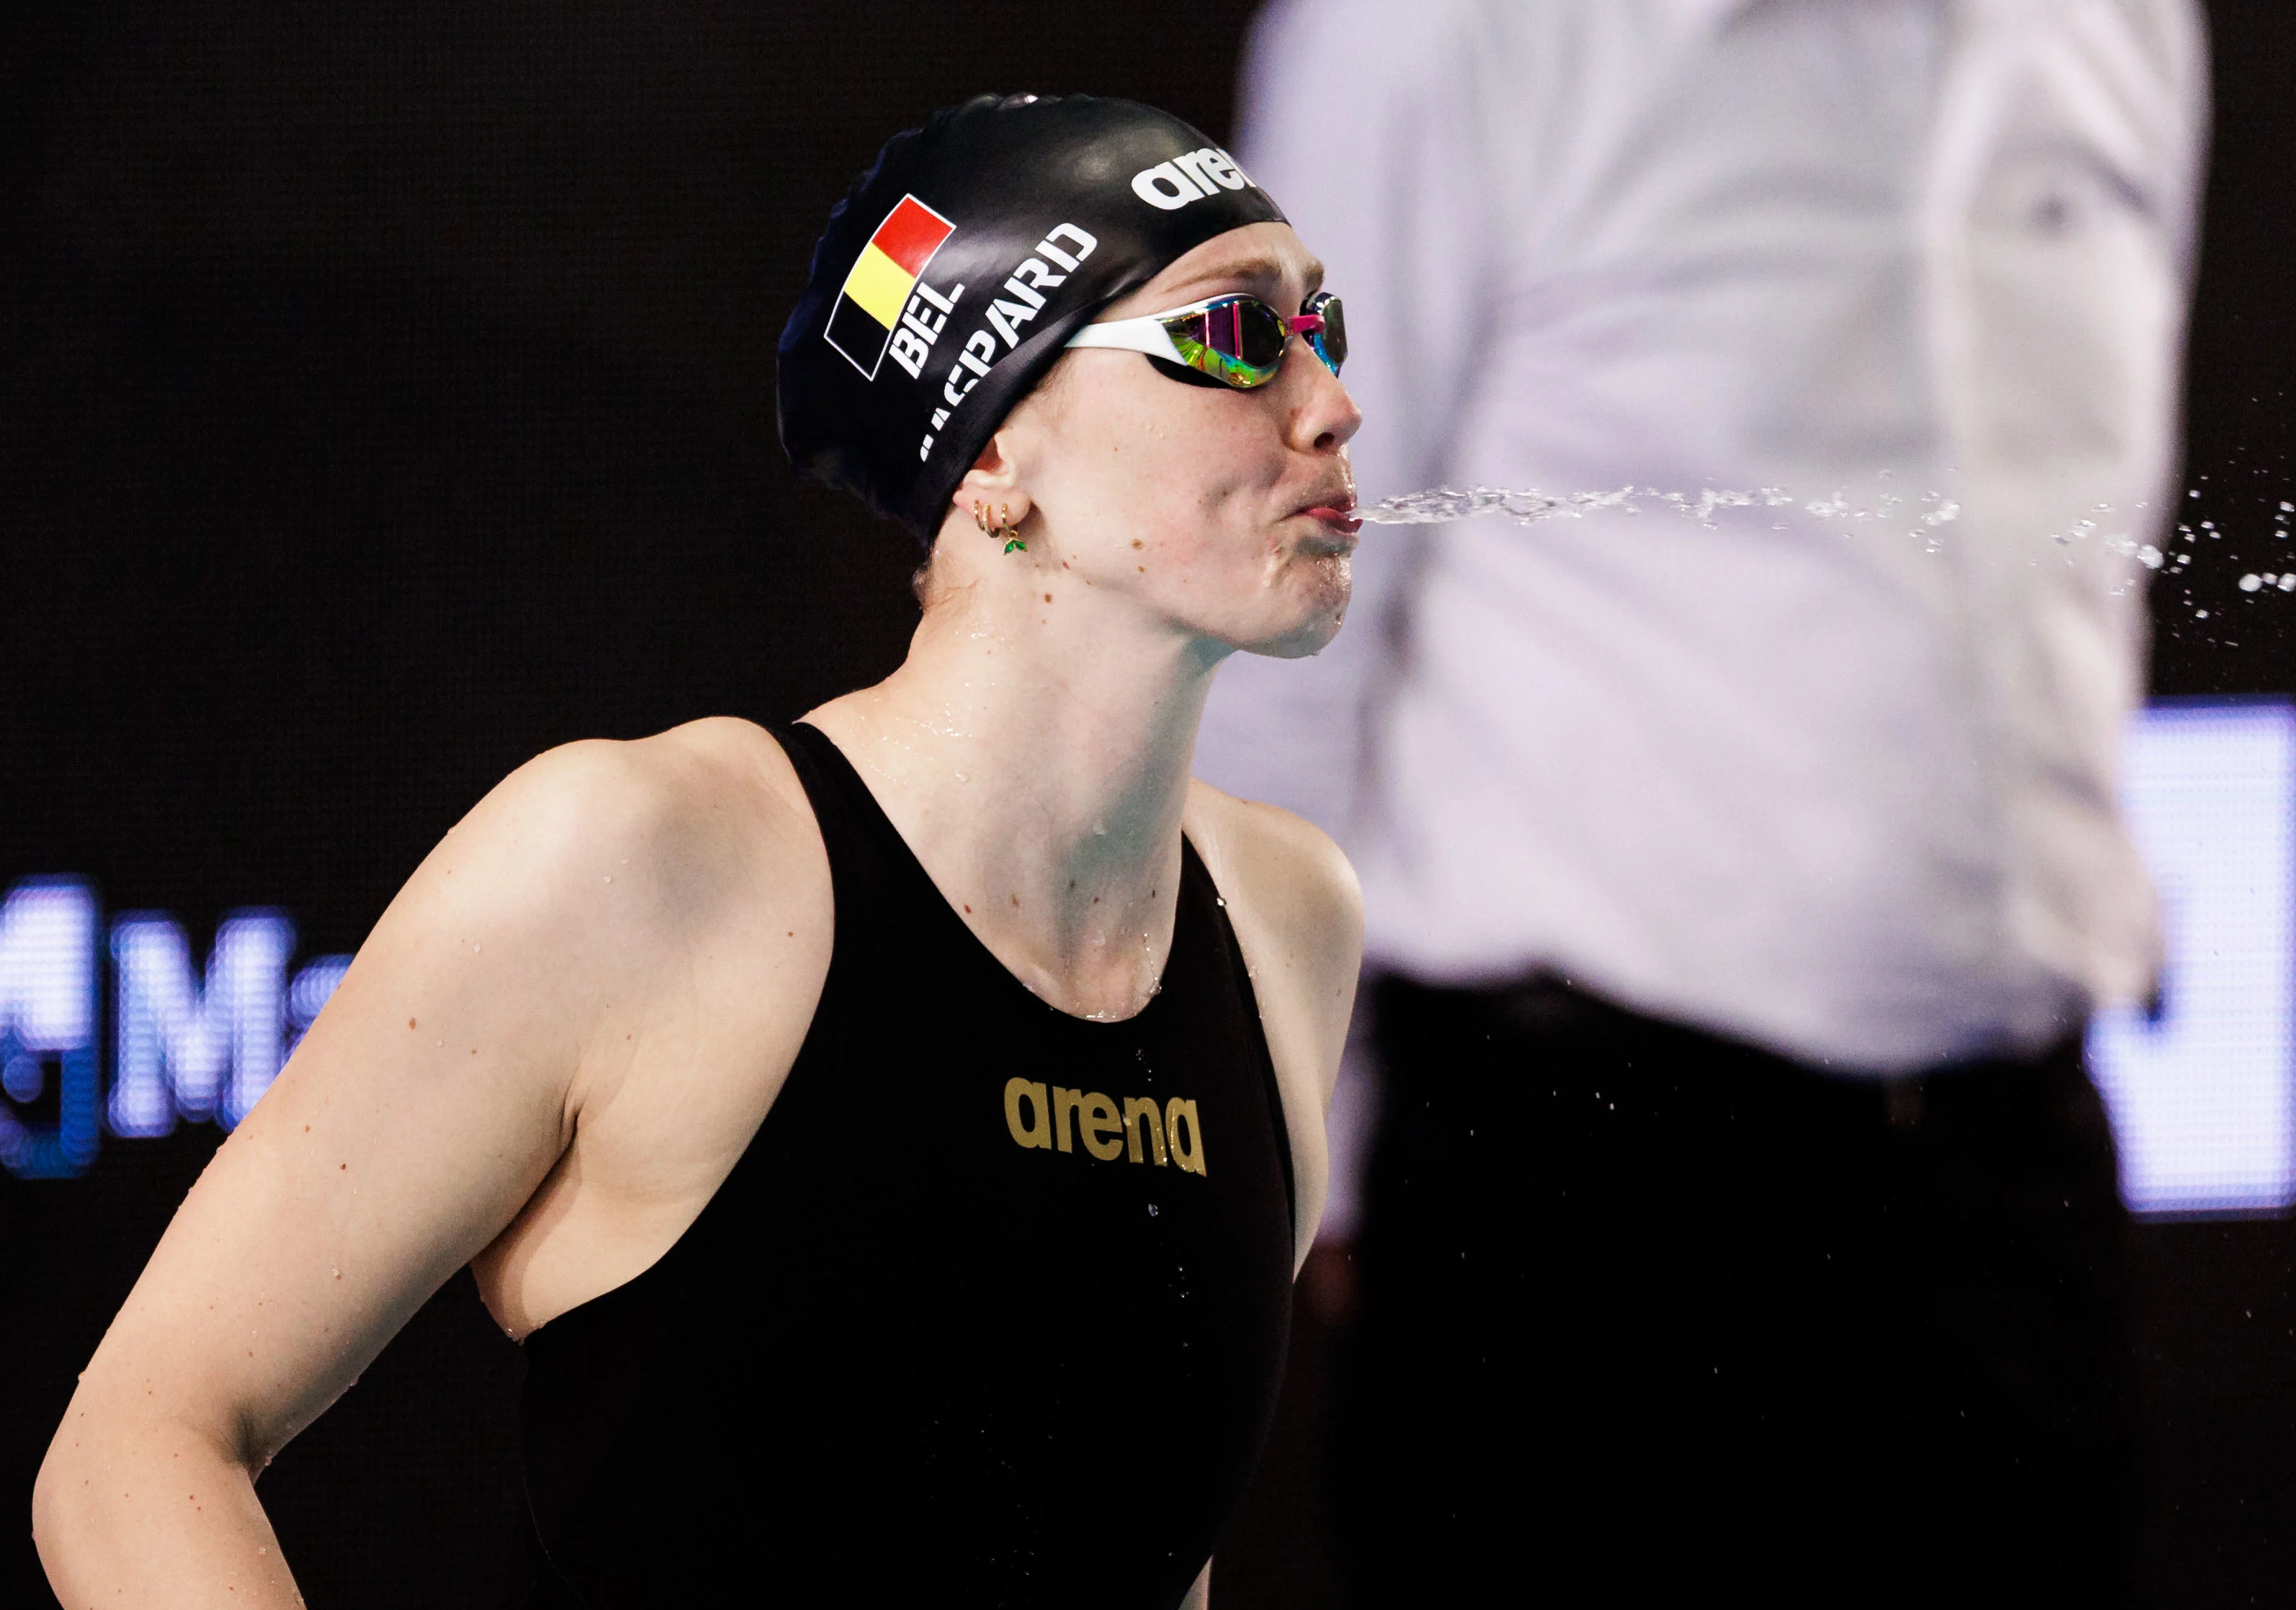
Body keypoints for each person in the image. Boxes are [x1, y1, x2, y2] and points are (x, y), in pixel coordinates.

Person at [33, 94, 1366, 1610]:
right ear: (997, 452)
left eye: (1322, 327)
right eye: (1234, 337)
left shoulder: (1284, 918)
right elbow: (139, 1443)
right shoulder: (649, 861)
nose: (1329, 400)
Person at [1195, 0, 2207, 1602]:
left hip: (2014, 1173)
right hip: (1579, 1209)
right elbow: (1268, 616)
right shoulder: (1437, 17)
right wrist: (1323, 1133)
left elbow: (2074, 561)